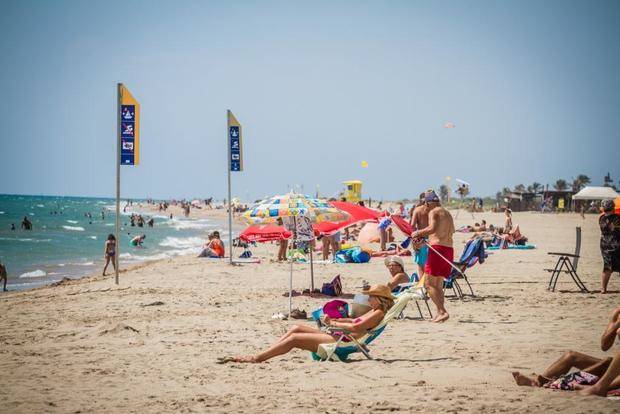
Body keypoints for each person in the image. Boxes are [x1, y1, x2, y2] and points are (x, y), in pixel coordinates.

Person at [223, 285, 394, 363]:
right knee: (295, 328)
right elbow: (353, 321)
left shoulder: (378, 313)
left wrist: (334, 323)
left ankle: (258, 358)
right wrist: (337, 320)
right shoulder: (374, 311)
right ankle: (266, 352)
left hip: (343, 341)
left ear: (380, 299)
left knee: (295, 339)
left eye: (371, 296)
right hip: (340, 335)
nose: (368, 299)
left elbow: (356, 328)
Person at [513, 307, 620, 393]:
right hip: (616, 365)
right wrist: (615, 325)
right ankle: (539, 381)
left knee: (607, 361)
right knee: (571, 356)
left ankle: (559, 382)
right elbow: (605, 346)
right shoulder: (617, 312)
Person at [411, 190, 454, 323]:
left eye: (426, 204)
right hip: (448, 249)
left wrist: (417, 233)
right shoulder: (447, 213)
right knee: (438, 284)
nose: (426, 207)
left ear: (428, 202)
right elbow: (451, 230)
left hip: (437, 250)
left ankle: (442, 311)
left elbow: (432, 228)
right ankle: (439, 312)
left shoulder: (433, 211)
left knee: (428, 284)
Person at [599, 199, 620, 294]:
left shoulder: (601, 218)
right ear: (613, 207)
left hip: (604, 244)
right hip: (616, 244)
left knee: (607, 266)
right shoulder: (617, 218)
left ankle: (603, 289)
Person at [410, 193, 430, 279]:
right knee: (431, 265)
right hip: (434, 239)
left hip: (421, 239)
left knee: (421, 265)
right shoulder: (435, 209)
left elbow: (412, 226)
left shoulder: (418, 210)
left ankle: (423, 287)